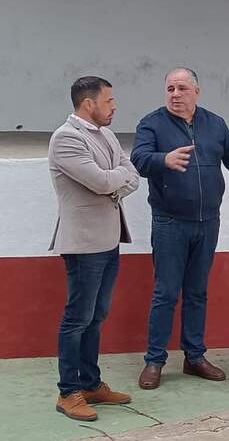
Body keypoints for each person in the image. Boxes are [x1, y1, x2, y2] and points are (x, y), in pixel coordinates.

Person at [131, 67, 229, 389]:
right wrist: (163, 160)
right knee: (166, 293)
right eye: (170, 89)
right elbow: (138, 159)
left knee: (197, 293)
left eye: (182, 88)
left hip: (208, 222)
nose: (175, 95)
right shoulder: (152, 123)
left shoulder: (215, 124)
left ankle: (194, 357)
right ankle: (155, 360)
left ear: (197, 91)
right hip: (170, 222)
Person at [49, 76, 140, 421]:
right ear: (89, 104)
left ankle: (90, 384)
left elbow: (131, 175)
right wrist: (114, 179)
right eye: (109, 101)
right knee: (77, 318)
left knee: (97, 315)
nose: (114, 107)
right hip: (84, 244)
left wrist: (112, 180)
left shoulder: (106, 135)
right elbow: (101, 181)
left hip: (109, 240)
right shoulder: (66, 138)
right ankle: (68, 392)